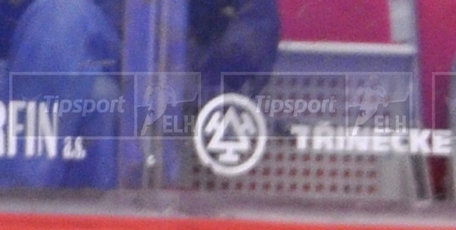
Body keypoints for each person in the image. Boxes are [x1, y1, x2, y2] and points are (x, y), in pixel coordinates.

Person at [0, 0, 278, 187]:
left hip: (157, 75)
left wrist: (190, 94)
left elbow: (254, 29)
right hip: (62, 71)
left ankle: (16, 222)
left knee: (62, 17)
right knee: (101, 98)